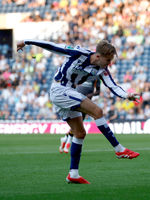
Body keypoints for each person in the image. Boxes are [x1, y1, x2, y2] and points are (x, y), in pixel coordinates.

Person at [17, 39, 140, 184]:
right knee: (97, 111)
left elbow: (113, 86)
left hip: (68, 92)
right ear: (98, 56)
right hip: (60, 89)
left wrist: (126, 95)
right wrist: (27, 42)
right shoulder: (78, 53)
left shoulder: (102, 70)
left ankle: (73, 174)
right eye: (108, 60)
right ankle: (119, 149)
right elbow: (53, 46)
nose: (109, 64)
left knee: (80, 133)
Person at [59, 78, 100, 154]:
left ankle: (65, 139)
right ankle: (67, 144)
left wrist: (89, 95)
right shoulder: (81, 74)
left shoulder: (95, 77)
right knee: (76, 125)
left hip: (86, 104)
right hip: (76, 101)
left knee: (78, 126)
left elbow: (98, 92)